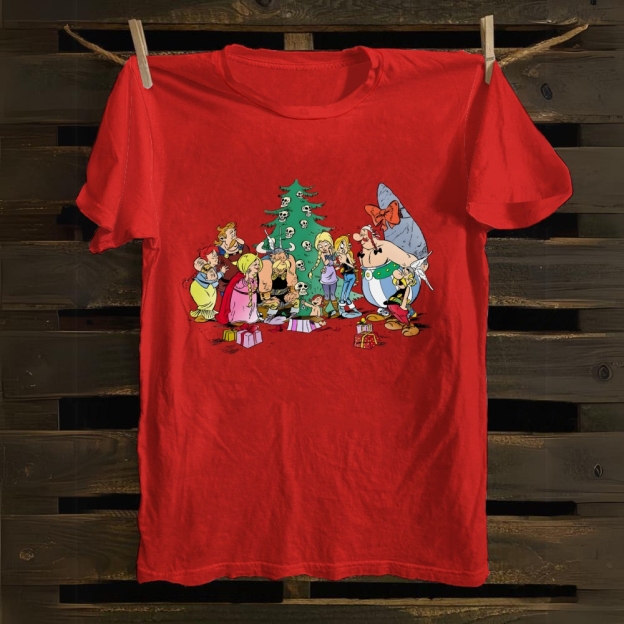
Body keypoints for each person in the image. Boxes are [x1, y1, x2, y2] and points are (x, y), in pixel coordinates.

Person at [257, 234, 300, 324]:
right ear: (273, 258)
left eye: (284, 258)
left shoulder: (288, 264)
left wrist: (292, 292)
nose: (283, 261)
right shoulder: (266, 265)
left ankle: (292, 315)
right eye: (279, 258)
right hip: (268, 296)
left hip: (283, 295)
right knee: (274, 304)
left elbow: (292, 281)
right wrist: (268, 299)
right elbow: (264, 285)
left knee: (295, 301)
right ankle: (269, 316)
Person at [215, 253, 262, 325]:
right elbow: (240, 286)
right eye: (255, 264)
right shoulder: (239, 278)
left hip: (251, 298)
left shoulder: (254, 277)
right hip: (240, 300)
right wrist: (247, 278)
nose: (257, 266)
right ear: (247, 265)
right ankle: (237, 319)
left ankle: (252, 318)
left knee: (252, 309)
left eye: (258, 264)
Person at [308, 231, 339, 318]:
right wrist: (329, 257)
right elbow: (325, 263)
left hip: (332, 275)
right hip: (325, 276)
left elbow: (335, 262)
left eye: (325, 245)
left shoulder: (332, 252)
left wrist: (335, 260)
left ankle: (337, 311)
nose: (324, 248)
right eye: (320, 246)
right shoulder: (322, 254)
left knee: (333, 295)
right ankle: (324, 310)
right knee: (327, 295)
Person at [215, 222, 250, 296]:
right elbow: (216, 266)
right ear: (222, 238)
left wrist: (243, 245)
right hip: (226, 285)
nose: (234, 233)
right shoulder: (219, 251)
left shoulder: (241, 246)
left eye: (234, 230)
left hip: (241, 283)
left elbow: (248, 259)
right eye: (231, 232)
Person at [333, 234, 361, 318]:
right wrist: (338, 266)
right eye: (339, 247)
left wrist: (345, 262)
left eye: (342, 246)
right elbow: (342, 265)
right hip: (346, 276)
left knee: (347, 295)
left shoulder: (348, 254)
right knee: (343, 293)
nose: (341, 249)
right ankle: (342, 309)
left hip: (351, 276)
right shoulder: (341, 256)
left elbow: (352, 266)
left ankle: (354, 309)